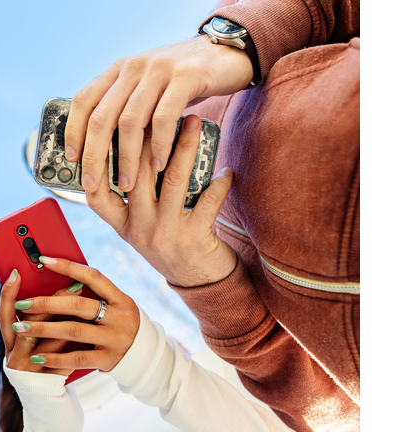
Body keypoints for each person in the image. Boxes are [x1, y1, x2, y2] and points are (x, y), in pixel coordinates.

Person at [64, 0, 360, 431]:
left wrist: (234, 40)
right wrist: (206, 284)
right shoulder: (195, 242)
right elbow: (330, 414)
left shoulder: (231, 55)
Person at [0, 117, 293, 432]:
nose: (64, 305)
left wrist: (149, 361)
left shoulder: (214, 368)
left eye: (72, 291)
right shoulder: (195, 370)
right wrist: (44, 406)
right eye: (38, 310)